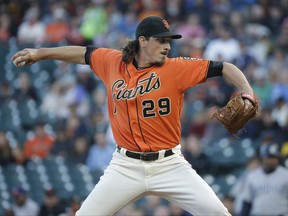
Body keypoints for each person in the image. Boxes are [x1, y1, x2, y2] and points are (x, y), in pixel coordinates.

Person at [12, 15, 256, 216]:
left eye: (169, 41)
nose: (167, 46)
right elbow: (82, 53)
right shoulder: (113, 62)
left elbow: (226, 67)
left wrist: (247, 92)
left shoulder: (177, 68)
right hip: (125, 166)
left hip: (170, 164)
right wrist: (41, 53)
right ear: (143, 41)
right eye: (161, 41)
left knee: (219, 214)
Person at [239, 142, 288, 216]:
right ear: (261, 158)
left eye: (272, 157)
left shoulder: (286, 175)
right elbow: (247, 202)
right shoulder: (252, 175)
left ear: (278, 159)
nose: (269, 160)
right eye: (267, 157)